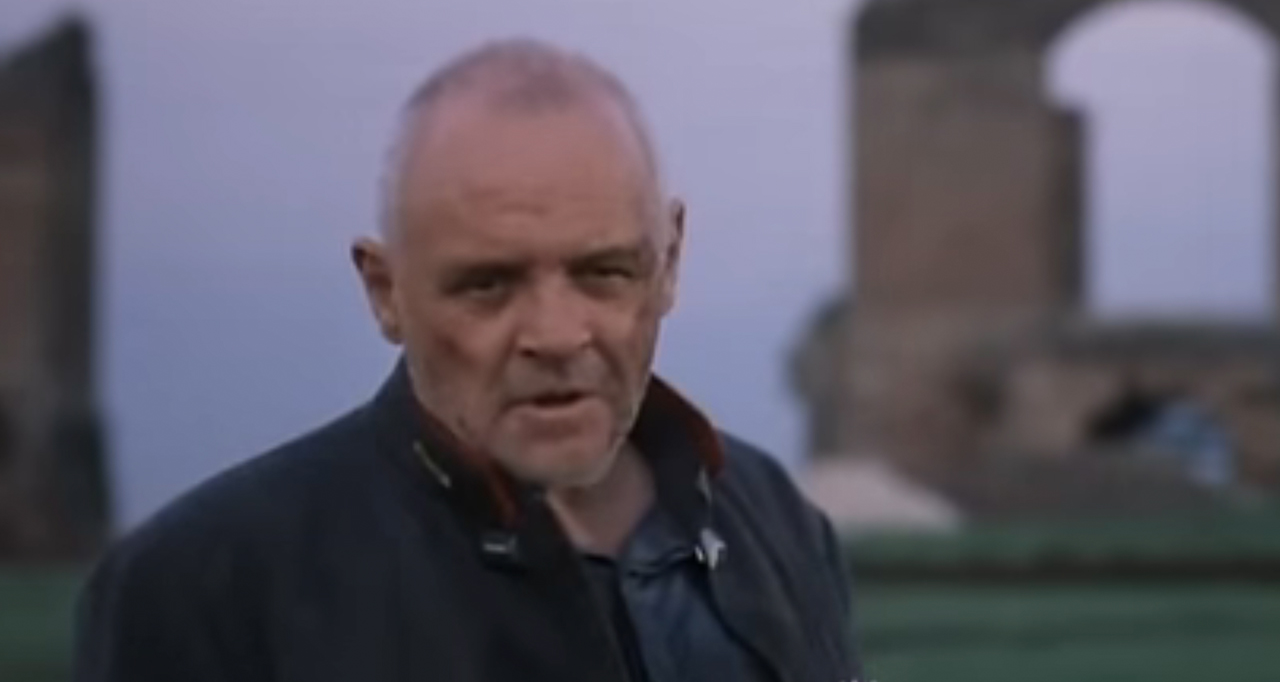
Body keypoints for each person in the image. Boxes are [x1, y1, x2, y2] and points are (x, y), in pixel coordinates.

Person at [73, 39, 863, 682]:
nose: (556, 334)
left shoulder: (773, 518)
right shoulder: (206, 586)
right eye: (489, 284)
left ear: (670, 261)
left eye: (603, 273)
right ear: (386, 291)